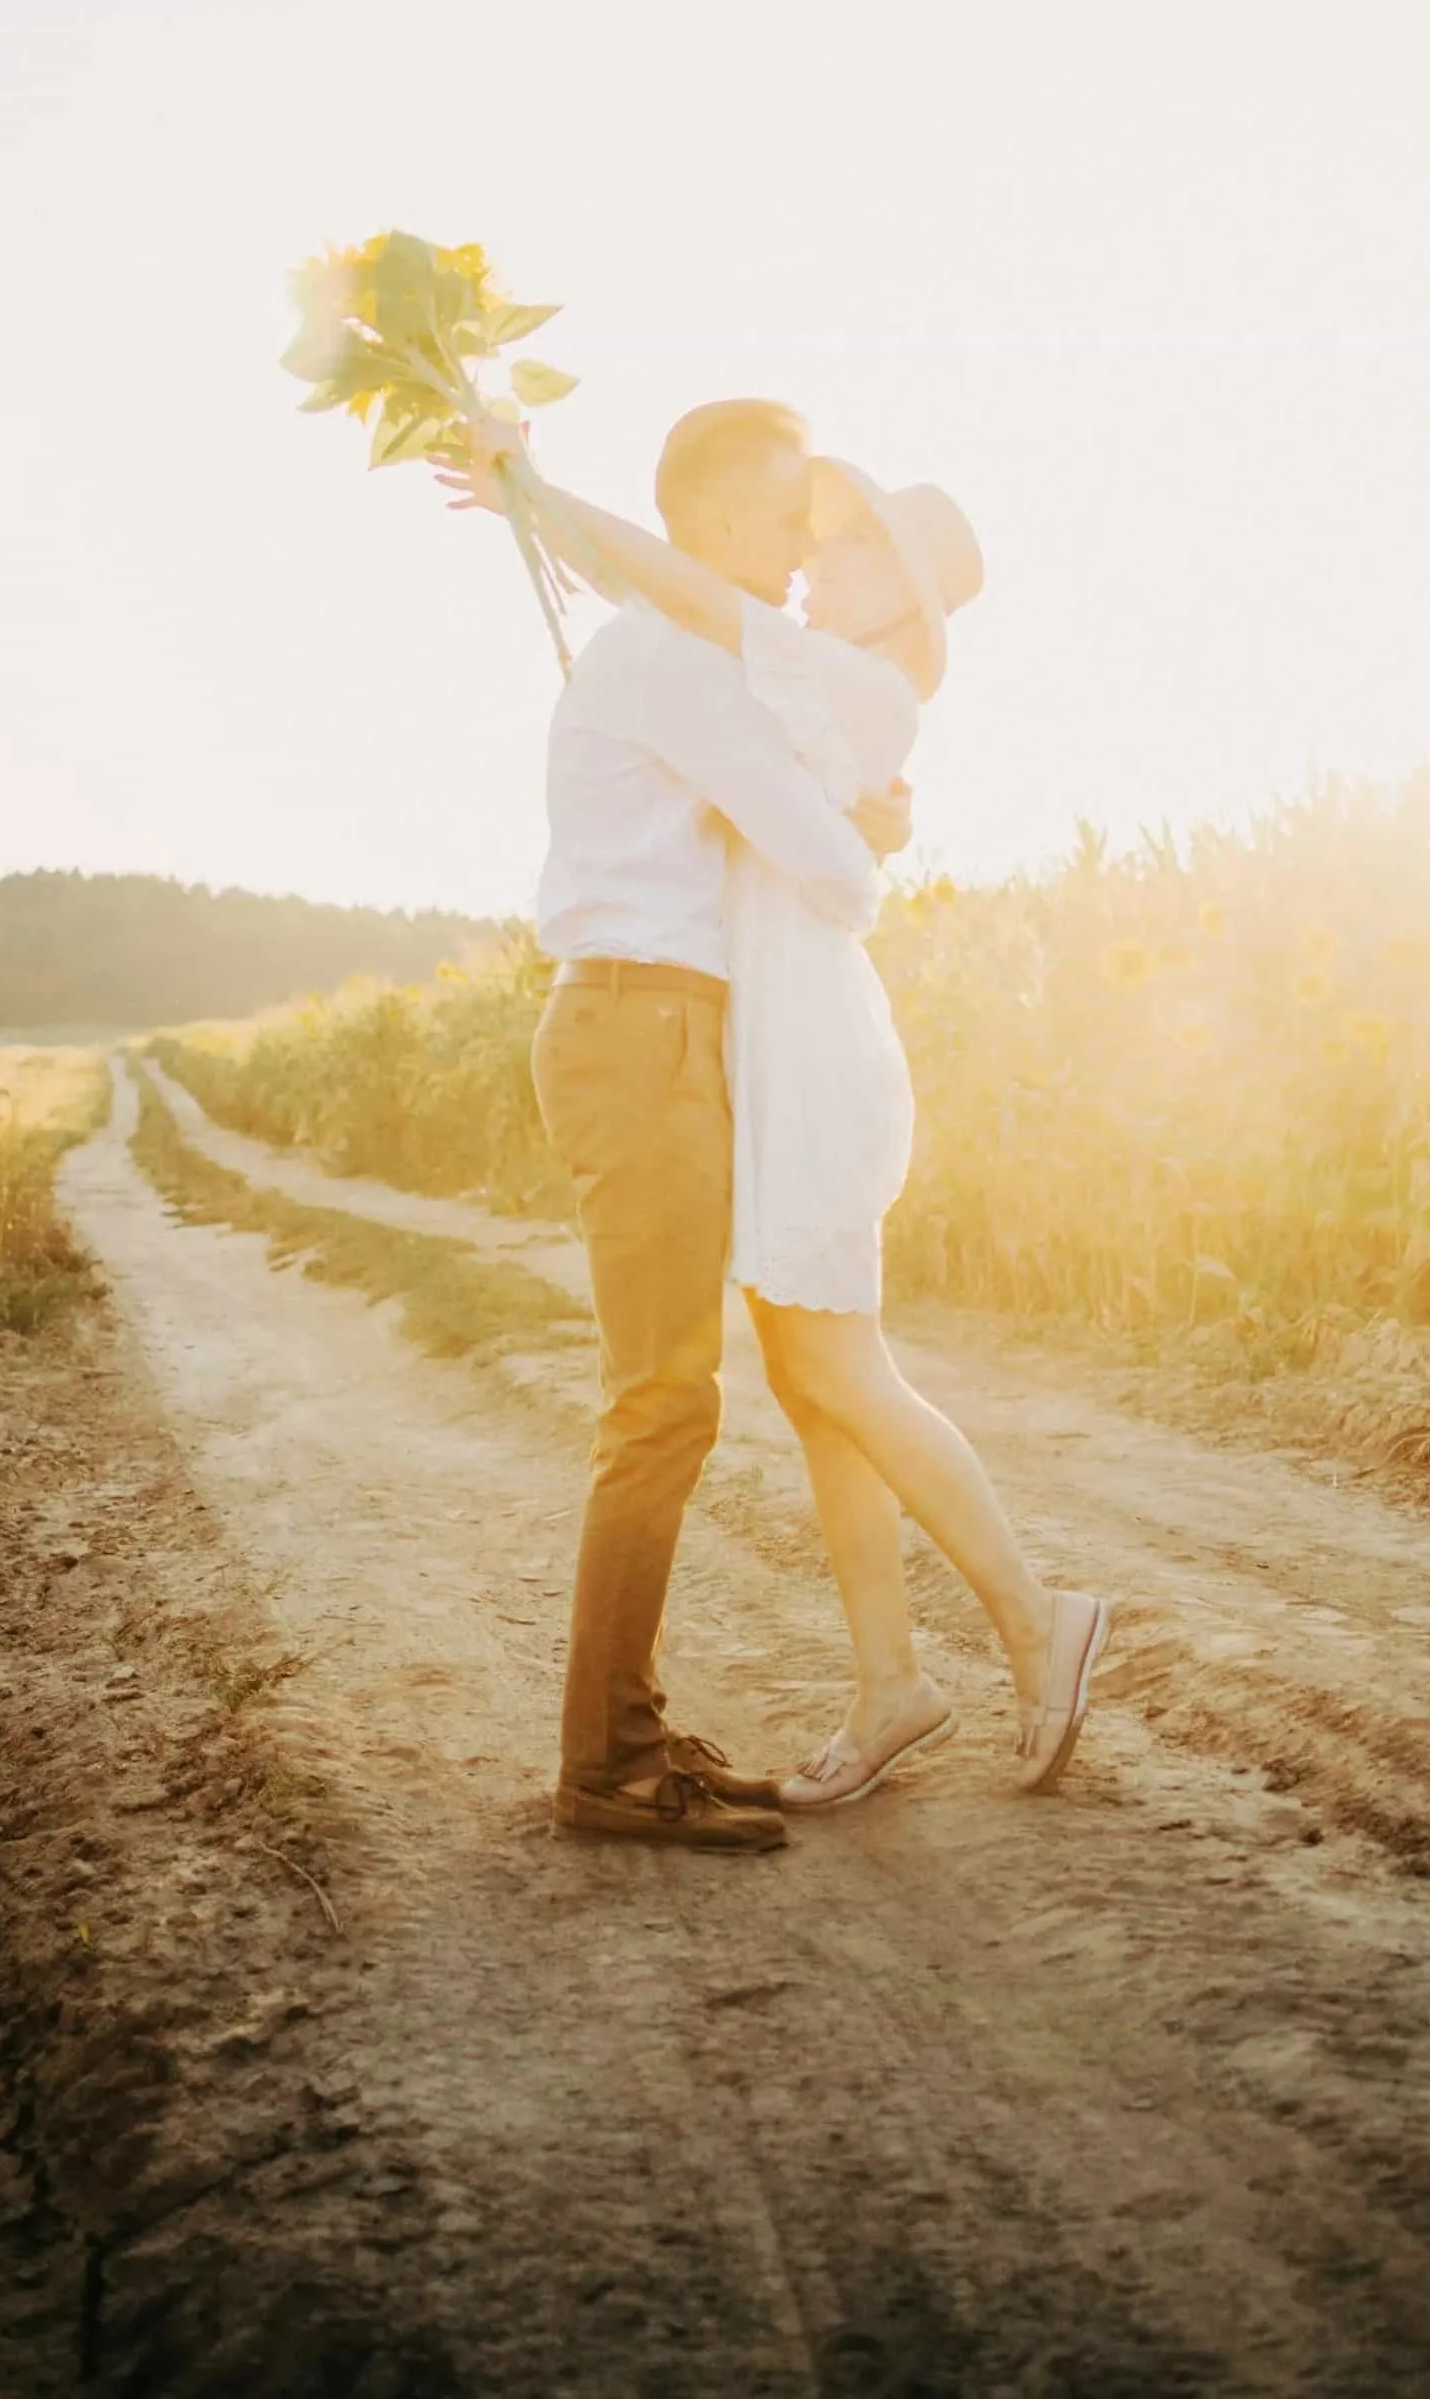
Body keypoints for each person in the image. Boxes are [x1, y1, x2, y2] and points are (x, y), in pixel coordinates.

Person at [458, 399, 1111, 1820]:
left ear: (908, 600)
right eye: (803, 527)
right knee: (809, 1377)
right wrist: (530, 494)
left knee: (820, 1371)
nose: (818, 553)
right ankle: (888, 1679)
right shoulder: (754, 671)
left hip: (792, 1049)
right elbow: (679, 610)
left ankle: (1026, 1615)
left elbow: (831, 852)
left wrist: (533, 485)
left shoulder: (835, 681)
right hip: (723, 1039)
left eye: (851, 542)